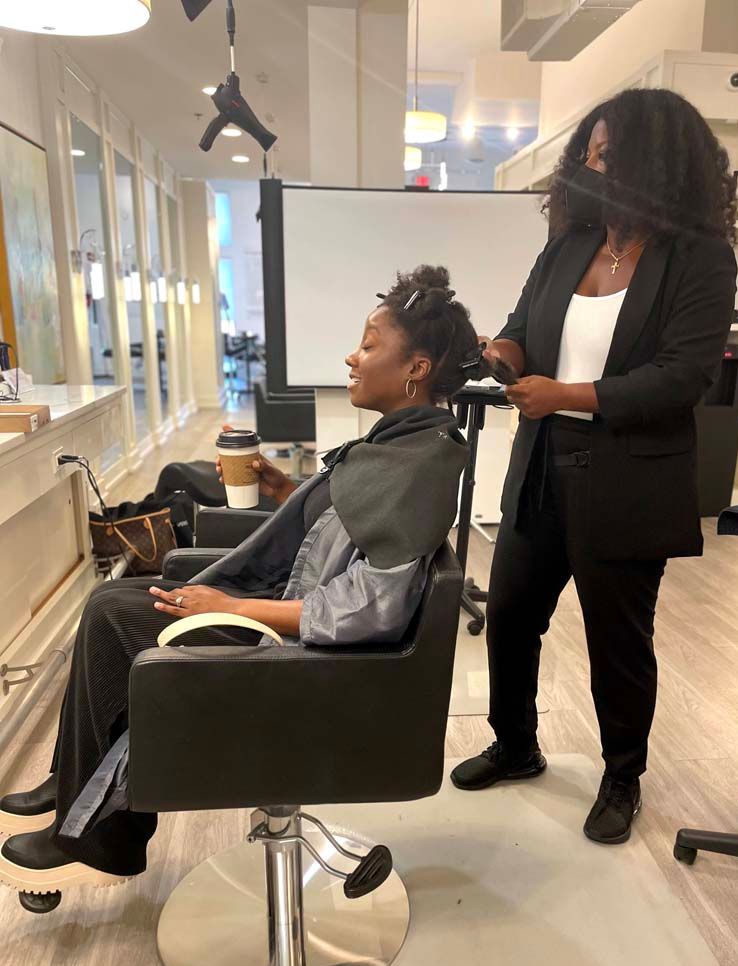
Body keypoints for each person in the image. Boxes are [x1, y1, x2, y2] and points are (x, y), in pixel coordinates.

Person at [0, 265, 473, 894]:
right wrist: (287, 491)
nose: (351, 357)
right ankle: (78, 795)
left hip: (310, 658)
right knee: (110, 599)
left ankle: (92, 829)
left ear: (415, 367)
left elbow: (372, 608)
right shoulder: (402, 442)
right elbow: (342, 529)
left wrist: (235, 608)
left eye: (368, 345)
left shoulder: (422, 463)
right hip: (285, 615)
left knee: (114, 614)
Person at [451, 88, 738, 845]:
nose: (589, 164)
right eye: (589, 150)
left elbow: (683, 376)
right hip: (542, 466)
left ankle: (620, 777)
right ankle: (515, 745)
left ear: (656, 159)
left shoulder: (699, 257)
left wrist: (566, 394)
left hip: (629, 478)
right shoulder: (570, 245)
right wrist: (497, 354)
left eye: (607, 152)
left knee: (617, 638)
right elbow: (520, 330)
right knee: (510, 615)